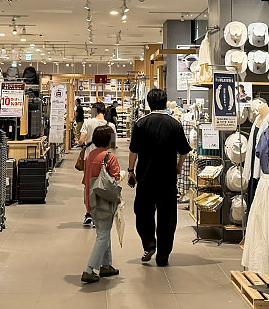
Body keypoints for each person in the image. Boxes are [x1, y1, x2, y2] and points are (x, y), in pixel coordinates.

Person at [128, 87, 191, 266]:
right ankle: (163, 255)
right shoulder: (174, 124)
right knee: (167, 218)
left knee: (143, 212)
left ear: (149, 103)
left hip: (145, 178)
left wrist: (131, 171)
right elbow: (184, 151)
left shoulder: (141, 123)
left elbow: (134, 150)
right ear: (165, 103)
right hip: (167, 179)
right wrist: (178, 167)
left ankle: (149, 243)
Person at [81, 124, 121, 284]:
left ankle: (106, 265)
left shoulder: (90, 155)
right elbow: (115, 179)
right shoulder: (109, 157)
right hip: (104, 200)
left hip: (91, 198)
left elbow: (86, 179)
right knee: (103, 235)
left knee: (103, 231)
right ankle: (89, 269)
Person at [76, 103, 107, 227]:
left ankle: (89, 213)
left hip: (89, 158)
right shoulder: (109, 125)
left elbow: (81, 140)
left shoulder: (88, 122)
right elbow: (113, 144)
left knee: (89, 185)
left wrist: (83, 144)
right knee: (102, 184)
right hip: (104, 158)